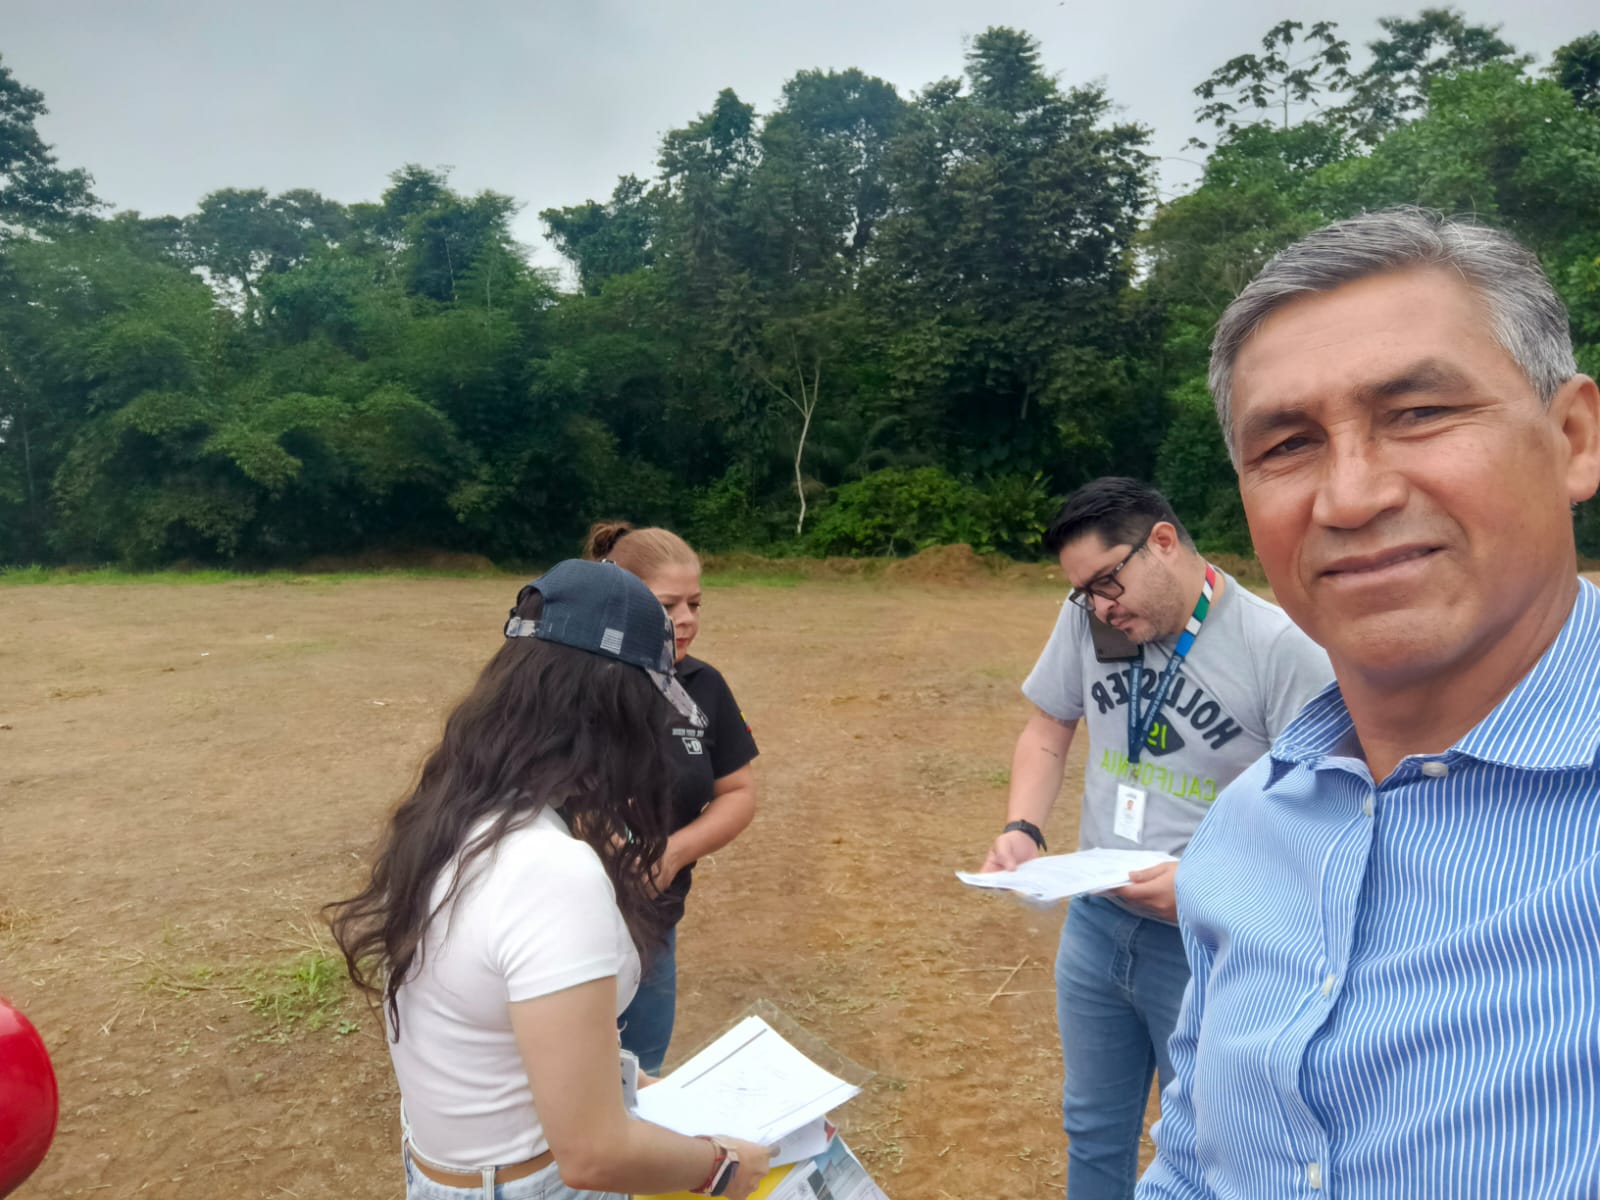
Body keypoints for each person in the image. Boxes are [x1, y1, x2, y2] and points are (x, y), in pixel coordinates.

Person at [1138, 208, 1600, 1199]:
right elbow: (1192, 1165)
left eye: (1420, 413)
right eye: (1287, 445)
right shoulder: (1244, 827)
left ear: (1572, 439)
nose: (1349, 497)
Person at [328, 560, 772, 1200]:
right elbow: (594, 1155)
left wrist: (634, 1083)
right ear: (614, 714)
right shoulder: (552, 871)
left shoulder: (454, 817)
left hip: (451, 1169)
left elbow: (499, 1029)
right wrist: (724, 1167)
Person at [980, 477, 1331, 1200]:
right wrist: (1022, 826)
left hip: (1208, 947)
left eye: (1106, 583)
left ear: (1163, 542)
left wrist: (1205, 887)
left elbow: (1323, 818)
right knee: (1092, 1127)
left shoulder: (1280, 649)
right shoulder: (1091, 619)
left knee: (1206, 1144)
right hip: (1095, 921)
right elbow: (1049, 727)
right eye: (1082, 592)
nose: (1099, 608)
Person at [584, 522, 759, 1074]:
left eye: (695, 604)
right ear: (622, 603)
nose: (686, 619)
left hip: (654, 922)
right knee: (564, 1077)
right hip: (572, 922)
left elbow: (738, 792)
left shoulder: (704, 686)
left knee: (643, 1073)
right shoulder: (577, 679)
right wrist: (607, 844)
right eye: (667, 606)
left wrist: (672, 855)